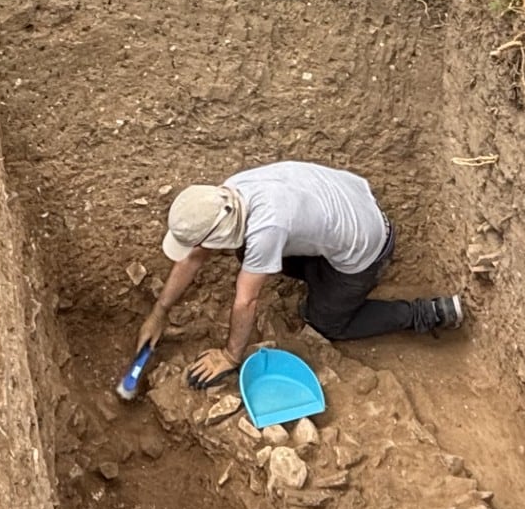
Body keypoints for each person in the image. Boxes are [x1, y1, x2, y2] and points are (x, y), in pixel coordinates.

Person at [137, 161, 465, 390]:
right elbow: (195, 255)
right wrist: (159, 312)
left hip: (367, 248)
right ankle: (323, 280)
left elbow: (246, 300)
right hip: (347, 209)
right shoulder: (229, 194)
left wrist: (229, 356)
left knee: (326, 324)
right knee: (247, 253)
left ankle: (425, 313)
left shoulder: (266, 228)